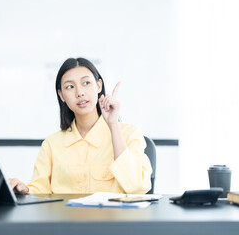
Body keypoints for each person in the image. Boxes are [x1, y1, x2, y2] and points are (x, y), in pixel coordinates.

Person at [9, 57, 151, 194]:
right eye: (70, 87)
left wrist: (113, 125)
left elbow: (137, 187)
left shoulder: (129, 133)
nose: (79, 93)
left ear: (99, 85)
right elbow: (40, 191)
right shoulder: (52, 144)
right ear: (61, 95)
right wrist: (23, 189)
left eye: (86, 83)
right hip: (65, 218)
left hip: (111, 217)